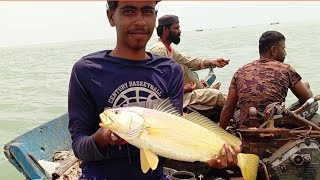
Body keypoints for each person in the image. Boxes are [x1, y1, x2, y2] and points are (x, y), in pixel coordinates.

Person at [68, 2, 239, 179]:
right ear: (111, 16)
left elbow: (174, 136)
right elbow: (79, 146)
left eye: (147, 11)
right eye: (129, 11)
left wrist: (210, 156)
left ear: (155, 16)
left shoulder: (170, 70)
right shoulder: (87, 71)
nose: (140, 21)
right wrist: (102, 138)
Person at [219, 30, 314, 129]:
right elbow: (306, 98)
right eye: (283, 49)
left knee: (238, 110)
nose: (285, 53)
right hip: (273, 124)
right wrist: (306, 87)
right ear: (273, 50)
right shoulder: (286, 69)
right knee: (313, 103)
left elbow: (228, 108)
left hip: (246, 126)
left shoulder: (240, 71)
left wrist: (220, 134)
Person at [150, 14, 229, 112]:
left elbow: (188, 60)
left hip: (179, 94)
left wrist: (213, 62)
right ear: (166, 30)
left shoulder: (169, 50)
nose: (179, 31)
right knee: (216, 95)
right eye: (176, 28)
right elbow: (159, 87)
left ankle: (206, 90)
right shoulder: (159, 50)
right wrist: (184, 89)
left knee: (183, 66)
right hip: (173, 101)